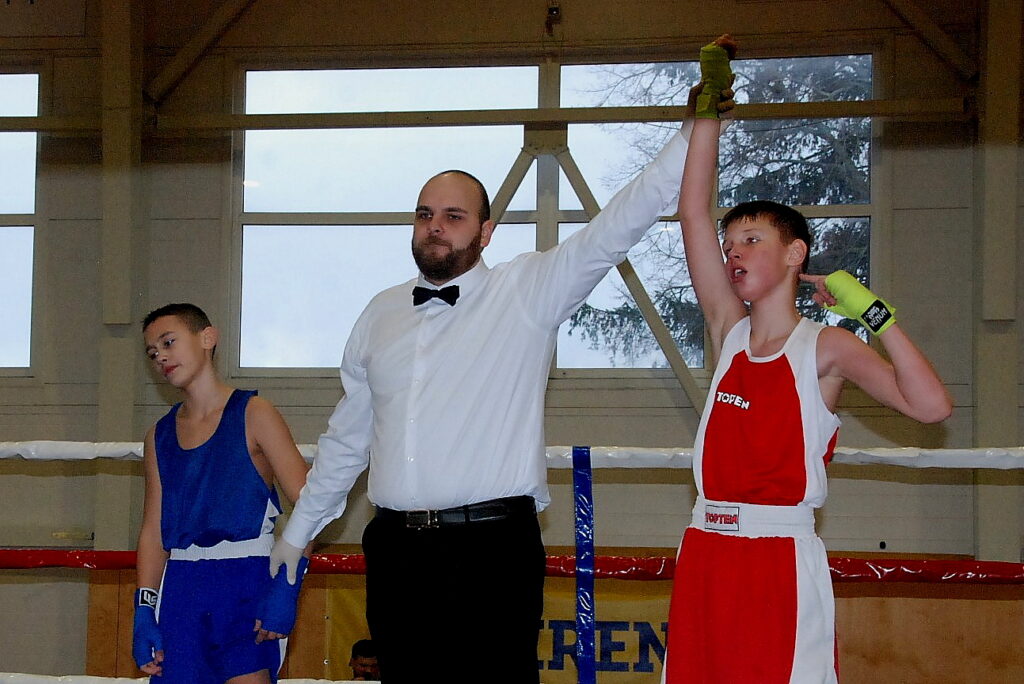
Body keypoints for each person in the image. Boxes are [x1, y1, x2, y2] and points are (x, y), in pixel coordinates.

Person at [267, 40, 737, 684]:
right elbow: (348, 439)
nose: (436, 226)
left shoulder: (527, 290)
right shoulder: (379, 314)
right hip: (395, 551)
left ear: (486, 232)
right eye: (425, 214)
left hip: (491, 551)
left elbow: (619, 223)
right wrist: (296, 535)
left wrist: (695, 128)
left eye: (453, 216)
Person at [665, 38, 952, 682]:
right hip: (706, 550)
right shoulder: (729, 332)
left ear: (795, 254)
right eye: (730, 244)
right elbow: (691, 214)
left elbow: (932, 407)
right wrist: (707, 112)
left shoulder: (825, 347)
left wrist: (876, 315)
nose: (734, 253)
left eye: (751, 239)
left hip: (777, 559)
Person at [133, 303, 311, 683]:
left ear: (207, 338)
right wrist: (144, 607)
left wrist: (287, 585)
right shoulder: (158, 435)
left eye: (168, 342)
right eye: (152, 352)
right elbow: (153, 529)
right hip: (181, 586)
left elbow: (311, 502)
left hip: (247, 579)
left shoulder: (255, 413)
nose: (160, 356)